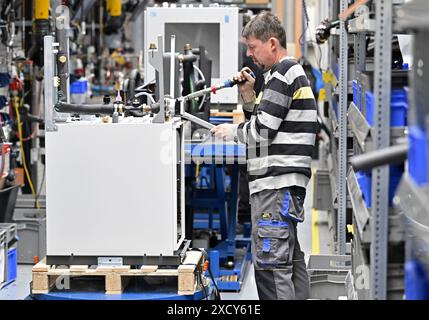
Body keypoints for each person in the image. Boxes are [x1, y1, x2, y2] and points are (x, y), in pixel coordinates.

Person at [211, 11, 317, 300]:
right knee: (289, 262)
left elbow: (259, 135)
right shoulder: (278, 76)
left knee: (271, 270)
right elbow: (263, 124)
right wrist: (248, 96)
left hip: (275, 187)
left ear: (272, 43)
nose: (249, 54)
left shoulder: (283, 73)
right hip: (280, 188)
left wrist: (231, 131)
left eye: (252, 47)